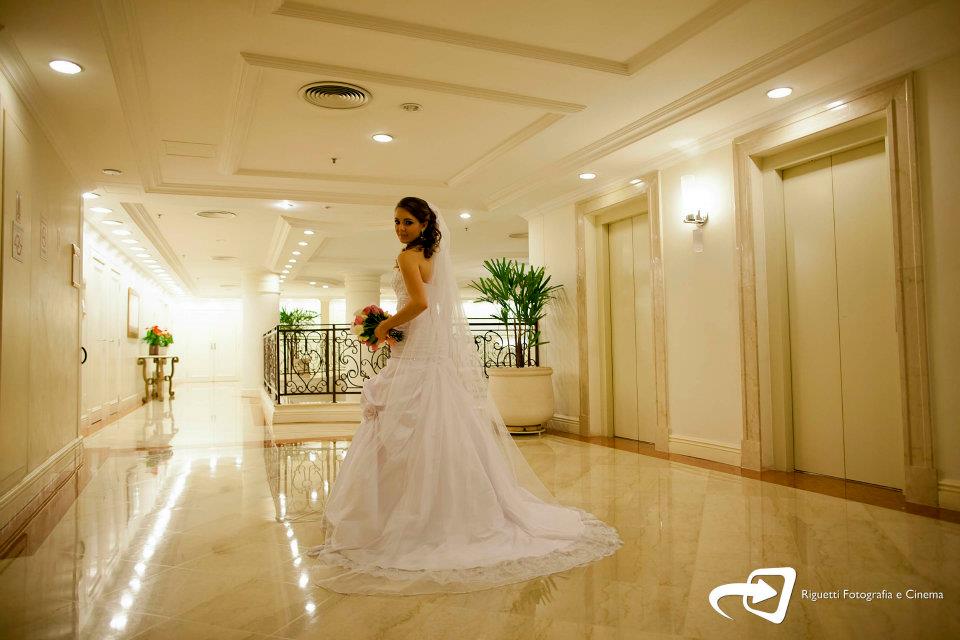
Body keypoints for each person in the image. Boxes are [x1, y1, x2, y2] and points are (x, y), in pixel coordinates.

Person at [307, 196, 621, 595]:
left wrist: (385, 326)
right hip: (424, 349)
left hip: (415, 353)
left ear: (424, 224)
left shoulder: (407, 257)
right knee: (438, 427)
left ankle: (406, 519)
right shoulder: (432, 257)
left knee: (406, 429)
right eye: (397, 222)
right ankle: (449, 512)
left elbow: (419, 304)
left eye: (407, 222)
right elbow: (428, 307)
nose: (400, 228)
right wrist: (395, 329)